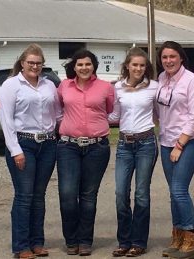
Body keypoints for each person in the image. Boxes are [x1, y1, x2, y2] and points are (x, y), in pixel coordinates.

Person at [0, 43, 62, 259]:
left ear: (43, 65)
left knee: (39, 196)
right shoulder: (10, 85)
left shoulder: (49, 85)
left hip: (47, 144)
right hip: (23, 143)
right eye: (31, 63)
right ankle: (21, 246)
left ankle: (37, 243)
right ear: (22, 63)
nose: (35, 66)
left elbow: (57, 114)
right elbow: (6, 121)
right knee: (24, 196)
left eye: (38, 63)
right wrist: (15, 150)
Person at [56, 49, 114, 256]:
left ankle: (85, 241)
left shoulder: (105, 87)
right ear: (74, 67)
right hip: (68, 147)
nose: (84, 68)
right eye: (80, 64)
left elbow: (108, 110)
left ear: (94, 66)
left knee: (88, 196)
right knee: (68, 194)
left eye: (88, 64)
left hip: (97, 147)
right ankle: (71, 239)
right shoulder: (64, 86)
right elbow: (59, 109)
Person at [155, 41, 194, 259]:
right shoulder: (161, 79)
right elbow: (159, 111)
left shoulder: (192, 81)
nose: (168, 61)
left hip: (188, 142)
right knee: (173, 193)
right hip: (165, 141)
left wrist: (180, 145)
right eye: (164, 57)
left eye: (172, 57)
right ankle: (178, 236)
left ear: (181, 58)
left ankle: (192, 237)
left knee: (179, 190)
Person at [108, 47, 158, 257]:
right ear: (127, 65)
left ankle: (139, 242)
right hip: (124, 145)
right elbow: (114, 116)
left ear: (146, 68)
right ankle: (124, 241)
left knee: (141, 194)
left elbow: (161, 113)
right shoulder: (117, 88)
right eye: (134, 64)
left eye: (142, 65)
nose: (138, 68)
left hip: (146, 143)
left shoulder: (154, 87)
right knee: (121, 194)